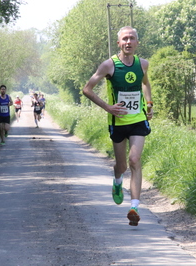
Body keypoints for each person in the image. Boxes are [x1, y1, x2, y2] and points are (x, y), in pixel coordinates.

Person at [82, 26, 153, 226]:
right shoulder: (109, 66)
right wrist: (108, 108)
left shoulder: (143, 64)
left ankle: (134, 208)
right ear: (119, 43)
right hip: (118, 123)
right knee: (121, 166)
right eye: (125, 39)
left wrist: (149, 104)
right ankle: (117, 181)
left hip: (138, 120)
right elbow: (87, 89)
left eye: (132, 38)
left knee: (134, 160)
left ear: (137, 42)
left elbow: (146, 84)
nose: (128, 42)